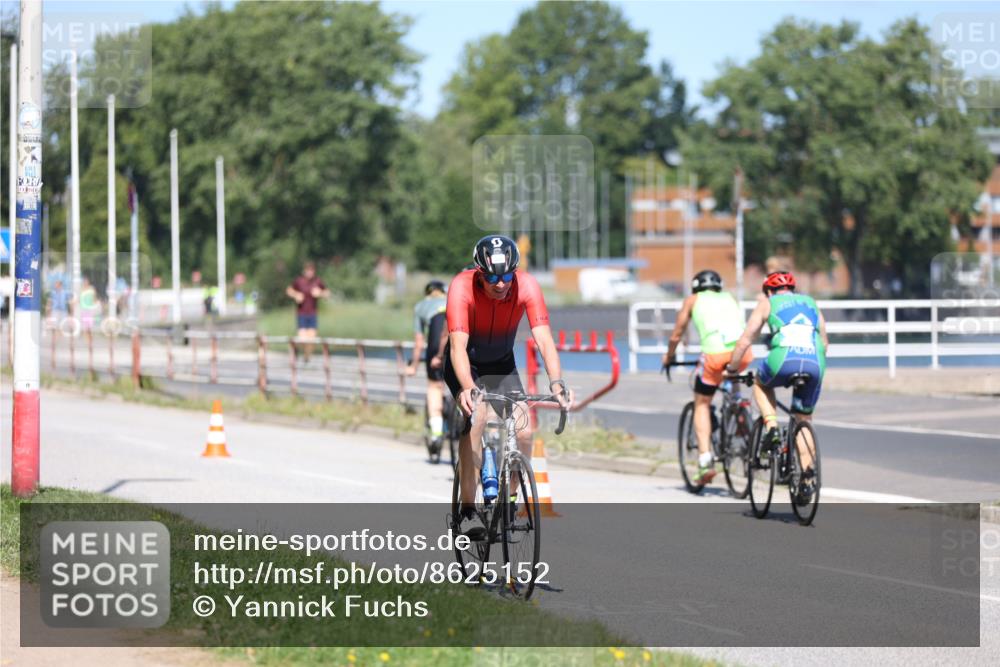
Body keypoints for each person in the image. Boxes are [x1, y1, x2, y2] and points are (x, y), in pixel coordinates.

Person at [445, 235, 571, 533]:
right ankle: (468, 508)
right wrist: (467, 386)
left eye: (506, 276)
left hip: (501, 363)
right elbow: (457, 347)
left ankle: (509, 500)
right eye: (491, 277)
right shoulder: (461, 286)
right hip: (467, 363)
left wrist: (556, 382)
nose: (500, 283)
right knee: (476, 419)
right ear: (479, 273)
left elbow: (544, 340)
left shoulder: (527, 285)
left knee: (524, 430)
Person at [726, 271, 829, 505]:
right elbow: (824, 343)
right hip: (815, 362)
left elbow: (745, 340)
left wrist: (732, 368)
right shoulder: (811, 302)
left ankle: (772, 428)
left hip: (783, 359)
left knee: (760, 383)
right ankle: (806, 478)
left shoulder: (767, 303)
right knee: (803, 419)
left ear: (769, 291)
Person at [662, 269, 752, 485]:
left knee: (702, 403)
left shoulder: (692, 300)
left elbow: (677, 333)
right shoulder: (729, 298)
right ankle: (739, 411)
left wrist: (669, 356)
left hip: (714, 354)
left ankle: (705, 461)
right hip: (743, 353)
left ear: (696, 287)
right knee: (732, 376)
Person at [407, 280, 450, 453]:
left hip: (435, 342)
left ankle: (436, 433)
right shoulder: (452, 301)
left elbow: (419, 342)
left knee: (434, 387)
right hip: (457, 339)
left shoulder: (420, 307)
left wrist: (414, 365)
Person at [285, 262, 329, 363]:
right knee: (303, 338)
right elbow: (288, 290)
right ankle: (296, 348)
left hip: (313, 314)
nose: (310, 272)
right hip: (302, 314)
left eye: (311, 270)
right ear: (304, 271)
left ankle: (306, 357)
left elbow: (327, 293)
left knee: (311, 339)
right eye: (308, 270)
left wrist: (320, 293)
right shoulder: (299, 281)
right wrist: (296, 295)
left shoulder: (317, 281)